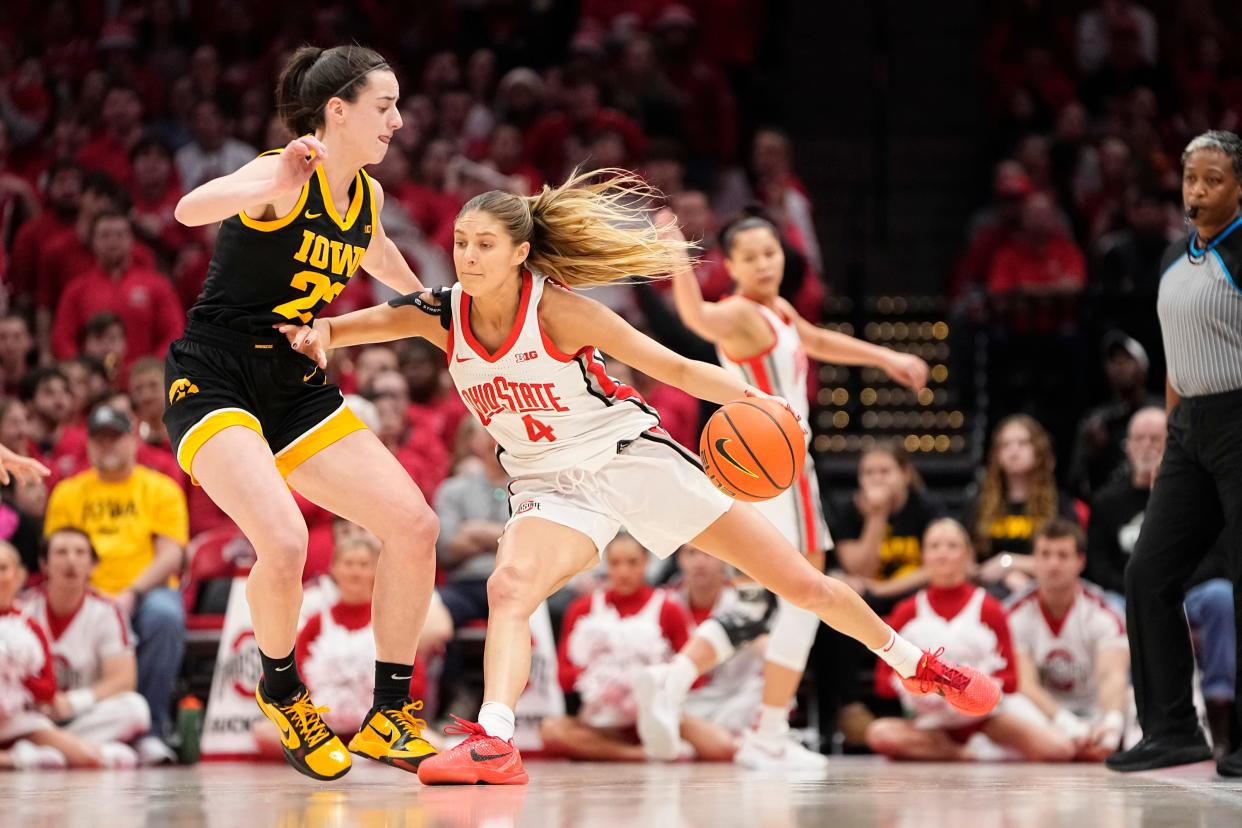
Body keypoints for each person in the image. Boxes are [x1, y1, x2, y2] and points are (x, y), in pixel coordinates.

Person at [280, 168, 1001, 785]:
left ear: (521, 253)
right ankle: (495, 740)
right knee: (509, 587)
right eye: (461, 244)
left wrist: (752, 398)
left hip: (628, 459)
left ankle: (915, 662)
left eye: (484, 246)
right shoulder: (444, 314)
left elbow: (676, 368)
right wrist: (325, 331)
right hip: (546, 482)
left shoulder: (560, 312)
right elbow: (369, 320)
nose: (466, 257)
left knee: (799, 583)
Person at [167, 44, 439, 781]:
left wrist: (430, 310)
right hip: (214, 374)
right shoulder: (285, 171)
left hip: (294, 378)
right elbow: (189, 208)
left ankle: (388, 715)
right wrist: (275, 175)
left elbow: (375, 254)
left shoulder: (369, 198)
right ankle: (283, 691)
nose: (398, 120)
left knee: (415, 526)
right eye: (385, 107)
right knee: (284, 541)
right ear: (339, 112)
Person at [633, 210, 929, 769]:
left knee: (764, 597)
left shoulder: (779, 310)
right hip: (774, 467)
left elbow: (814, 340)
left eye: (771, 251)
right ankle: (766, 729)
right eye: (750, 256)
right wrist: (676, 250)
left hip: (770, 467)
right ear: (734, 265)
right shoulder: (742, 312)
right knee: (807, 591)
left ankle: (677, 681)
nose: (764, 262)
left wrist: (883, 356)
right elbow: (696, 315)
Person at [1107, 130, 1242, 777]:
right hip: (1189, 425)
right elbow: (1175, 352)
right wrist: (1169, 428)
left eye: (1213, 179)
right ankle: (1170, 730)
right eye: (1191, 178)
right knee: (1147, 573)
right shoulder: (1170, 254)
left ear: (1239, 187)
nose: (1197, 191)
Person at [42, 405, 187, 763]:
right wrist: (91, 597)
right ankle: (64, 726)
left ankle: (152, 731)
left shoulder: (160, 488)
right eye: (99, 439)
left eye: (115, 437)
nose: (107, 446)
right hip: (83, 596)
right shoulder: (67, 492)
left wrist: (130, 594)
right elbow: (57, 554)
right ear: (88, 445)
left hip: (143, 594)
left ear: (132, 440)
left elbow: (171, 555)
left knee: (165, 615)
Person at [1089, 406, 1236, 756]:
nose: (1146, 446)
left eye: (1156, 438)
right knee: (1115, 606)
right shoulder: (1109, 500)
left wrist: (1171, 590)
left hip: (1190, 590)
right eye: (1138, 438)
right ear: (1125, 446)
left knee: (1221, 596)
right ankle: (1131, 720)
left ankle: (1221, 707)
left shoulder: (1199, 493)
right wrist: (1146, 593)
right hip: (1127, 595)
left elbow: (1216, 556)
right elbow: (1096, 565)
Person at [865, 519, 1074, 763]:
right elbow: (882, 681)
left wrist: (969, 688)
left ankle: (980, 747)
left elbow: (1011, 680)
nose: (943, 553)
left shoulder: (989, 608)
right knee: (880, 734)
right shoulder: (906, 611)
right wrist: (924, 689)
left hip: (985, 719)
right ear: (924, 556)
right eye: (934, 546)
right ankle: (963, 753)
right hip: (930, 722)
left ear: (967, 555)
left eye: (952, 546)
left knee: (1058, 749)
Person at [540, 534, 736, 762]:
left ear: (646, 562)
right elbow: (562, 677)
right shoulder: (582, 608)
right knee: (551, 731)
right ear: (605, 564)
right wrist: (600, 679)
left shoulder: (668, 608)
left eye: (632, 562)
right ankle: (640, 754)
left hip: (659, 715)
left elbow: (697, 676)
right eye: (615, 563)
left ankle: (650, 743)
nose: (623, 572)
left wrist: (651, 682)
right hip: (601, 721)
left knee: (722, 747)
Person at [21, 527, 152, 765]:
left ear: (92, 565)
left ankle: (45, 750)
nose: (71, 560)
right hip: (34, 713)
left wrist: (72, 702)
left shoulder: (108, 611)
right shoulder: (23, 610)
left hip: (82, 714)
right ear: (44, 564)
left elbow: (123, 680)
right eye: (61, 552)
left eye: (80, 553)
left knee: (136, 709)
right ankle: (87, 750)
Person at [1007, 520, 1131, 762]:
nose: (1053, 564)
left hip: (1096, 712)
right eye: (1045, 554)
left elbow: (1112, 676)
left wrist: (1111, 723)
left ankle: (1107, 741)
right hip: (1046, 716)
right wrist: (1068, 725)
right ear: (1034, 560)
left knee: (1134, 703)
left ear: (1080, 562)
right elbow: (1025, 684)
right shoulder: (1015, 614)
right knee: (1008, 701)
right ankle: (1074, 745)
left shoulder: (1104, 613)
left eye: (1063, 555)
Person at [0, 540, 106, 771]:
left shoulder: (28, 626)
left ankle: (14, 757)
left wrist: (17, 676)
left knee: (88, 757)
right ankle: (25, 758)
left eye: (2, 569)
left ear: (18, 576)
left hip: (13, 719)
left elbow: (49, 689)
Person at [971, 415, 1080, 596]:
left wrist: (1009, 563)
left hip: (1045, 592)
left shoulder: (1058, 503)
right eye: (1005, 445)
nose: (1014, 450)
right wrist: (1006, 576)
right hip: (989, 592)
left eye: (1022, 443)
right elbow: (967, 562)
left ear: (1038, 451)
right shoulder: (979, 503)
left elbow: (1071, 560)